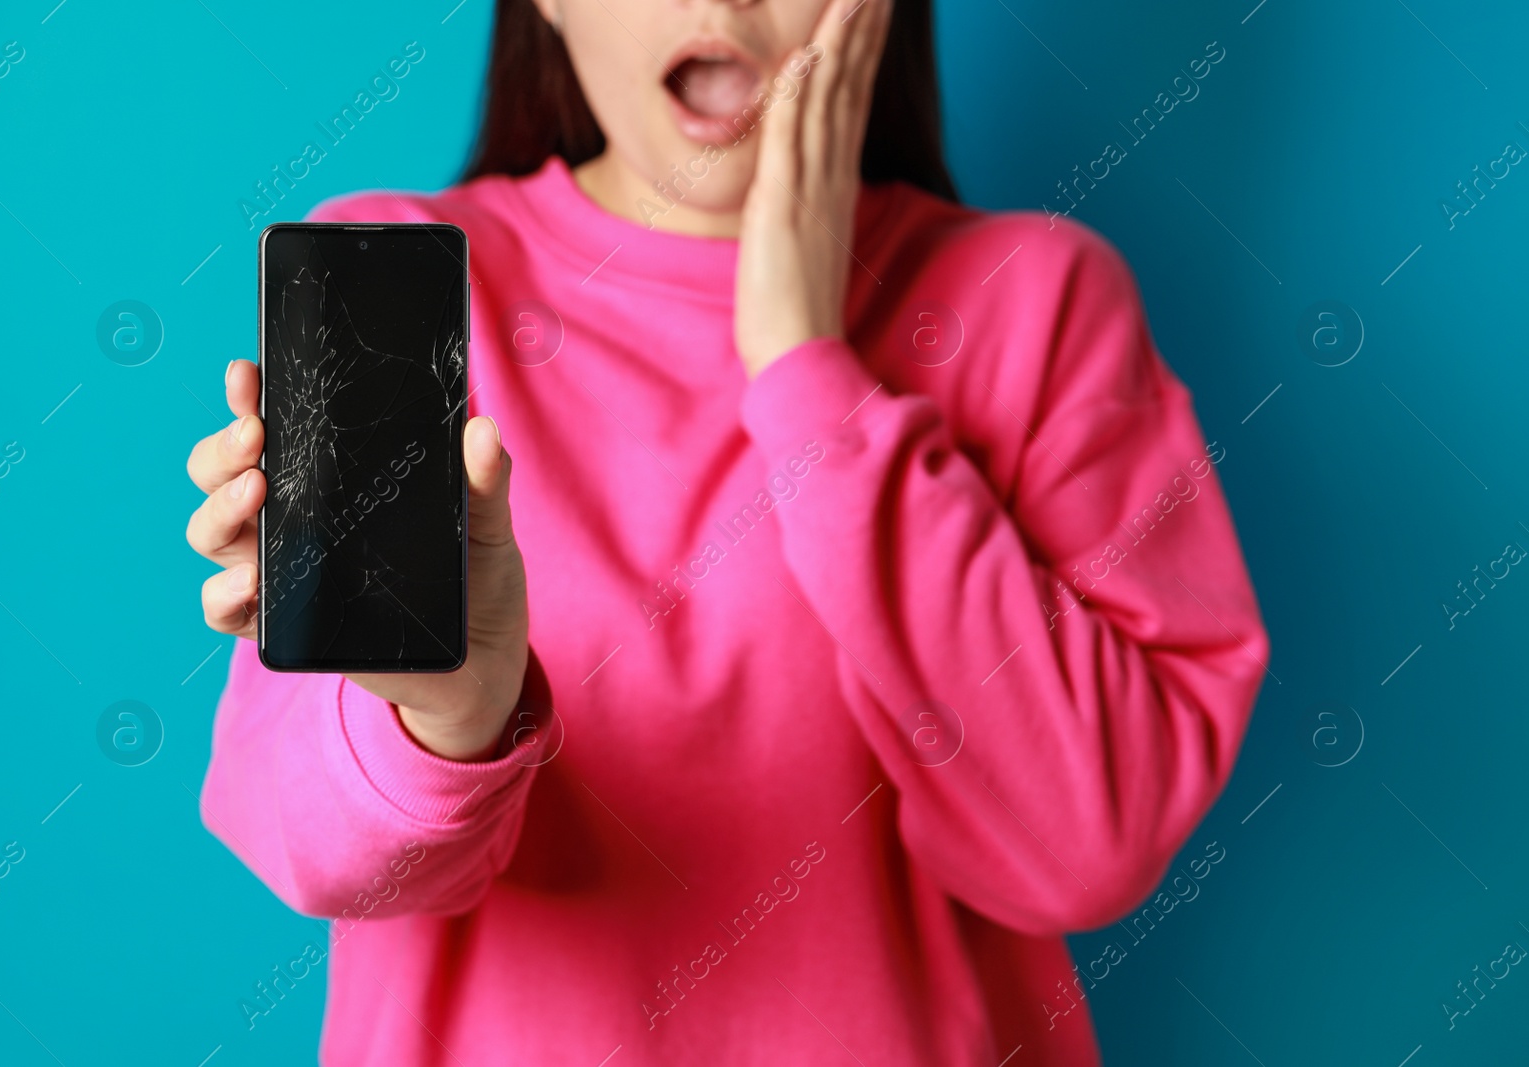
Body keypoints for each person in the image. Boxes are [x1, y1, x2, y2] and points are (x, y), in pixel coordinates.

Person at [185, 0, 1269, 1062]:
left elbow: (1089, 844)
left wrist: (804, 369)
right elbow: (324, 856)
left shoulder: (1035, 301)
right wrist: (453, 713)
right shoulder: (407, 288)